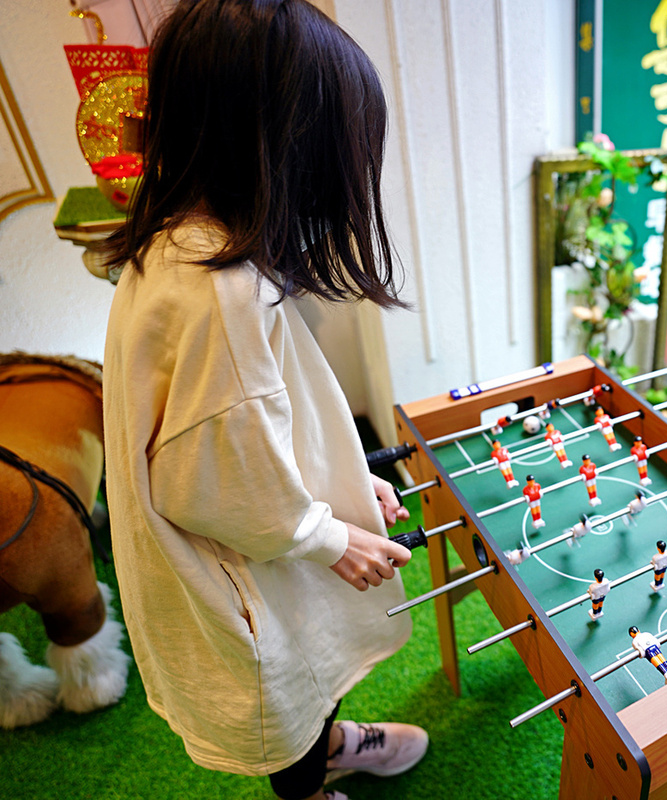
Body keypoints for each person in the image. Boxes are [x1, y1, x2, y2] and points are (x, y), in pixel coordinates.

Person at [101, 2, 429, 799]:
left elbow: (252, 421)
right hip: (242, 558)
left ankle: (329, 742)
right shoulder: (222, 288)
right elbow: (207, 474)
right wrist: (328, 536)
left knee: (309, 671)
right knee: (280, 689)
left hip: (261, 538)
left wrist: (343, 483)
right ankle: (309, 784)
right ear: (288, 152)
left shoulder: (179, 238)